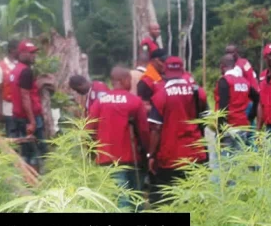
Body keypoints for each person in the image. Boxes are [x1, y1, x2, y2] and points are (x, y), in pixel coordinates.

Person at [147, 56, 208, 205]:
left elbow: (156, 129)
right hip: (195, 154)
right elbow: (205, 120)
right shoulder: (198, 92)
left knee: (170, 200)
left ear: (165, 72)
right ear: (182, 71)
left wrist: (151, 155)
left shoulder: (160, 96)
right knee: (194, 201)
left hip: (170, 157)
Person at [87, 66, 150, 211]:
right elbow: (144, 131)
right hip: (132, 159)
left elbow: (89, 130)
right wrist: (148, 154)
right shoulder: (135, 101)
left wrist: (91, 153)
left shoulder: (99, 102)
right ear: (124, 80)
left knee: (119, 201)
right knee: (136, 200)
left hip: (106, 160)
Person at [10, 39, 46, 173]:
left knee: (26, 151)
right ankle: (35, 182)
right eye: (30, 53)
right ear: (22, 54)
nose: (33, 56)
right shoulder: (25, 71)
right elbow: (25, 97)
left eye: (34, 53)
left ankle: (27, 181)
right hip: (28, 118)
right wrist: (32, 121)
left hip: (18, 117)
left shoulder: (15, 70)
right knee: (36, 152)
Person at [214, 54, 259, 155]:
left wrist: (220, 130)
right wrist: (250, 116)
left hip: (228, 128)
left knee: (224, 164)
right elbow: (257, 98)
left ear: (222, 66)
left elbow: (223, 107)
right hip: (242, 127)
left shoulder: (224, 81)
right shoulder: (244, 82)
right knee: (238, 162)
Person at [0, 40, 19, 137]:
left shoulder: (20, 65)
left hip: (22, 109)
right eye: (18, 49)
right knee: (12, 137)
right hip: (9, 109)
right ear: (12, 50)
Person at [137, 48, 167, 113]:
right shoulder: (145, 82)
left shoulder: (164, 76)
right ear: (153, 61)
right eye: (162, 61)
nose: (165, 64)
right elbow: (143, 107)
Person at [257, 43, 271, 133]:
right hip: (268, 127)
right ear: (265, 57)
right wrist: (258, 129)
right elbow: (261, 103)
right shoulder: (263, 77)